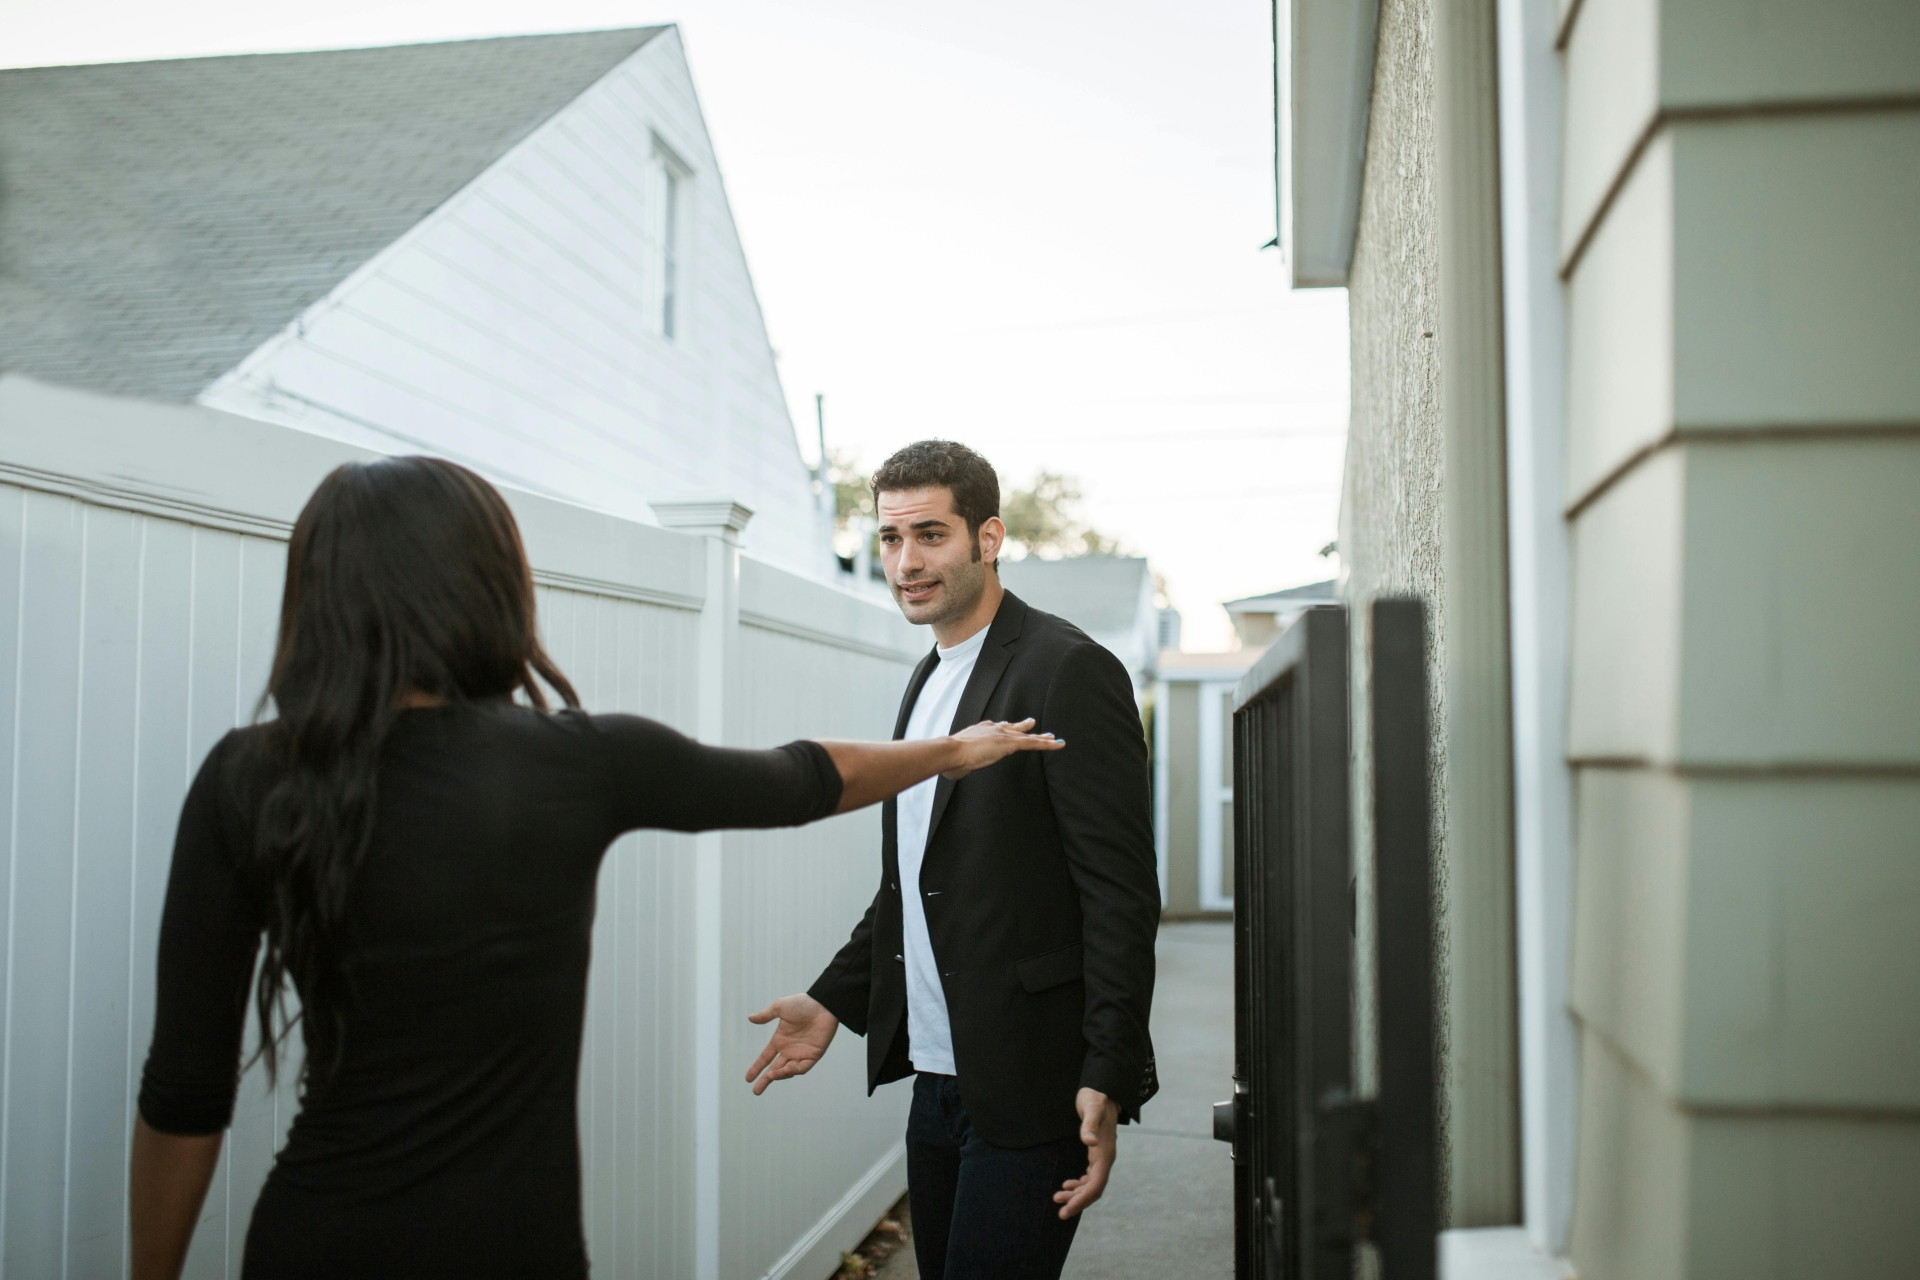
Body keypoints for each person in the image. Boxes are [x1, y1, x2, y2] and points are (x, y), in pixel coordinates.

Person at [128, 456, 1061, 1280]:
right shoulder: (571, 761)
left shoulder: (247, 778)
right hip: (510, 1246)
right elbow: (801, 776)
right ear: (488, 586)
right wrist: (948, 752)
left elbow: (183, 1092)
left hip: (313, 1236)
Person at [746, 440, 1160, 1280]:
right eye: (891, 540)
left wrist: (1107, 1070)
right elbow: (916, 878)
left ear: (989, 537)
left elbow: (1119, 891)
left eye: (930, 534)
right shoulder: (928, 678)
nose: (906, 562)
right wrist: (835, 998)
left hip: (1032, 1081)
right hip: (935, 1081)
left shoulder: (1067, 668)